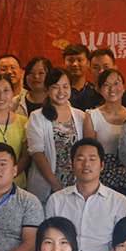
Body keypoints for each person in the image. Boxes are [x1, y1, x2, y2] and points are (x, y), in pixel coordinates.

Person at [45, 138, 126, 251]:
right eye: (80, 159)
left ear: (102, 165)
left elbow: (123, 242)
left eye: (92, 159)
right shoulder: (56, 200)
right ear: (72, 165)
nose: (86, 164)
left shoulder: (119, 201)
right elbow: (47, 239)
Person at [26, 67, 86, 202]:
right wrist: (55, 184)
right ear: (47, 90)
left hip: (75, 184)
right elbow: (36, 152)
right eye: (55, 87)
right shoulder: (37, 117)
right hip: (46, 185)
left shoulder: (80, 116)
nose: (61, 92)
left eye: (65, 86)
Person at [84, 68, 126, 197]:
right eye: (107, 85)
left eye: (117, 83)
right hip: (104, 179)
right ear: (99, 89)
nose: (112, 89)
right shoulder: (92, 117)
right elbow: (90, 152)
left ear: (124, 87)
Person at [75, 48, 126, 113]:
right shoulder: (83, 99)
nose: (101, 71)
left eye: (105, 67)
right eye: (96, 68)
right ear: (90, 71)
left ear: (114, 69)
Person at [62, 44, 95, 111]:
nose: (75, 64)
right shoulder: (59, 90)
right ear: (64, 63)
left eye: (79, 60)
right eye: (70, 60)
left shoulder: (95, 90)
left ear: (88, 63)